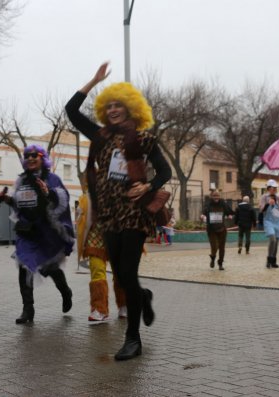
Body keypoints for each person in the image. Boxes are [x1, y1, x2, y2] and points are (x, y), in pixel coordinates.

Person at [65, 62, 172, 361]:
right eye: (108, 105)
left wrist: (148, 185)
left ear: (129, 109)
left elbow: (165, 170)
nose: (113, 110)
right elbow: (71, 111)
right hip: (108, 214)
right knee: (124, 278)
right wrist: (94, 80)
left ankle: (133, 339)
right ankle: (144, 295)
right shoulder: (99, 137)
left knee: (127, 273)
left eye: (118, 105)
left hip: (134, 214)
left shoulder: (143, 139)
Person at [0, 145, 75, 324]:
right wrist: (7, 200)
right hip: (27, 233)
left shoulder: (53, 179)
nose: (30, 158)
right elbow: (20, 205)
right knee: (23, 266)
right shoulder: (22, 180)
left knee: (49, 268)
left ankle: (66, 292)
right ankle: (28, 309)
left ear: (42, 158)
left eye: (34, 155)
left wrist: (48, 193)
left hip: (47, 234)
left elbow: (62, 201)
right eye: (27, 155)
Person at [76, 187, 127, 323]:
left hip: (116, 236)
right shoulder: (86, 197)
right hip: (95, 237)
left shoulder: (121, 190)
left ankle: (124, 305)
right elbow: (81, 219)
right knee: (97, 272)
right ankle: (99, 309)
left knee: (120, 273)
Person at [201, 190, 234, 270]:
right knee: (214, 247)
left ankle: (220, 264)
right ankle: (213, 258)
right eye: (214, 196)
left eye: (217, 196)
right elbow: (203, 212)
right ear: (212, 197)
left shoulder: (223, 203)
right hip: (211, 229)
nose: (216, 198)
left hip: (222, 229)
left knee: (222, 248)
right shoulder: (208, 204)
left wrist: (230, 215)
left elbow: (229, 211)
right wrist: (202, 216)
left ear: (219, 196)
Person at [259, 179, 279, 268]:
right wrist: (268, 204)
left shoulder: (277, 197)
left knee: (276, 242)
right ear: (268, 188)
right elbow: (261, 209)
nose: (274, 189)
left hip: (277, 222)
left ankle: (273, 261)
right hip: (268, 221)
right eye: (273, 187)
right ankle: (268, 260)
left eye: (275, 188)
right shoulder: (264, 197)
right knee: (272, 239)